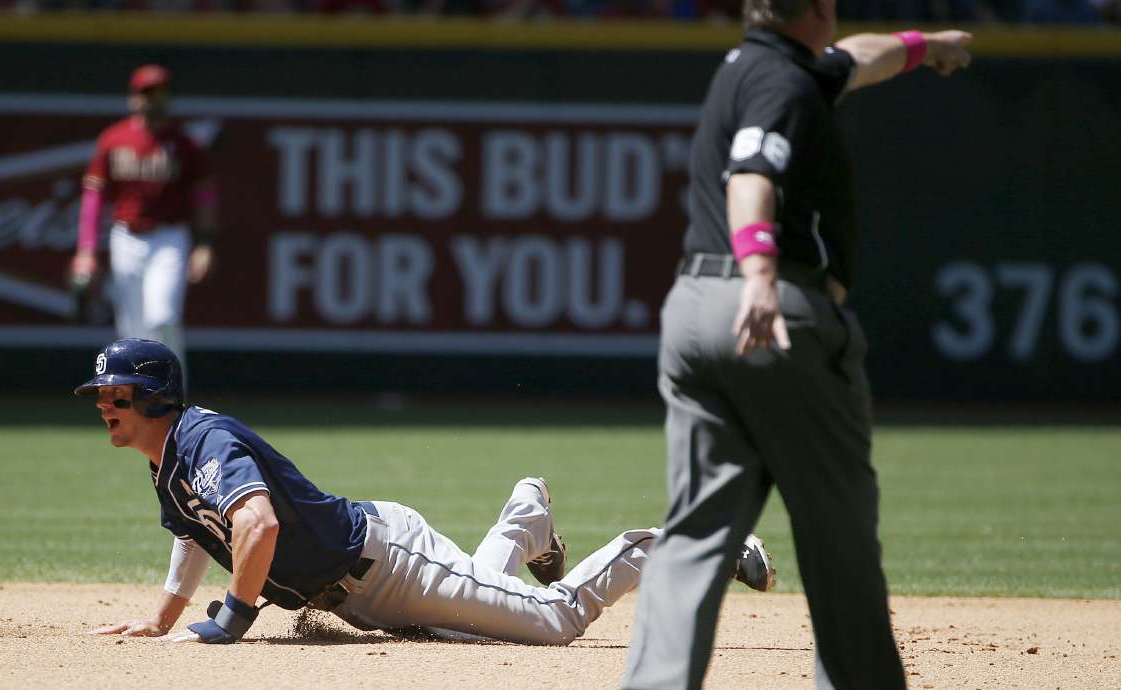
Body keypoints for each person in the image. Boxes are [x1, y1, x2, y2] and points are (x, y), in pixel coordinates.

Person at [620, 4, 973, 689]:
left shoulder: (760, 66)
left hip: (693, 313)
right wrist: (759, 271)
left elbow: (859, 56)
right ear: (815, 11)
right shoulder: (784, 86)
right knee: (837, 536)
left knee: (693, 538)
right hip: (775, 310)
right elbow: (751, 175)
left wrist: (926, 46)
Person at [78, 338, 775, 646]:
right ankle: (527, 514)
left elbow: (255, 525)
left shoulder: (205, 441)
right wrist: (166, 617)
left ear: (157, 394)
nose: (105, 404)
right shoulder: (169, 461)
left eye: (118, 394)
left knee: (555, 621)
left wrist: (232, 618)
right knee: (470, 618)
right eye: (101, 395)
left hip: (390, 564)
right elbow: (199, 535)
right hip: (369, 593)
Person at [68, 65, 218, 378]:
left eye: (158, 92)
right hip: (126, 237)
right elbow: (93, 196)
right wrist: (86, 250)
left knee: (163, 316)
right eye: (145, 92)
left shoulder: (184, 144)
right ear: (132, 97)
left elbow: (203, 196)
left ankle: (174, 400)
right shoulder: (114, 139)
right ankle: (138, 405)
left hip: (169, 237)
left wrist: (204, 242)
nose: (151, 99)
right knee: (132, 331)